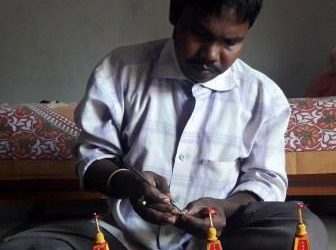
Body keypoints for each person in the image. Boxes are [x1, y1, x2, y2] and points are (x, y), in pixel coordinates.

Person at [0, 0, 328, 250]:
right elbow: (92, 156)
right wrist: (130, 183)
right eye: (200, 34)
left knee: (302, 230)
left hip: (219, 240)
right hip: (120, 237)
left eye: (230, 43)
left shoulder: (263, 96)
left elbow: (266, 179)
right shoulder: (120, 69)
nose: (212, 54)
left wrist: (223, 207)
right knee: (24, 245)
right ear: (175, 15)